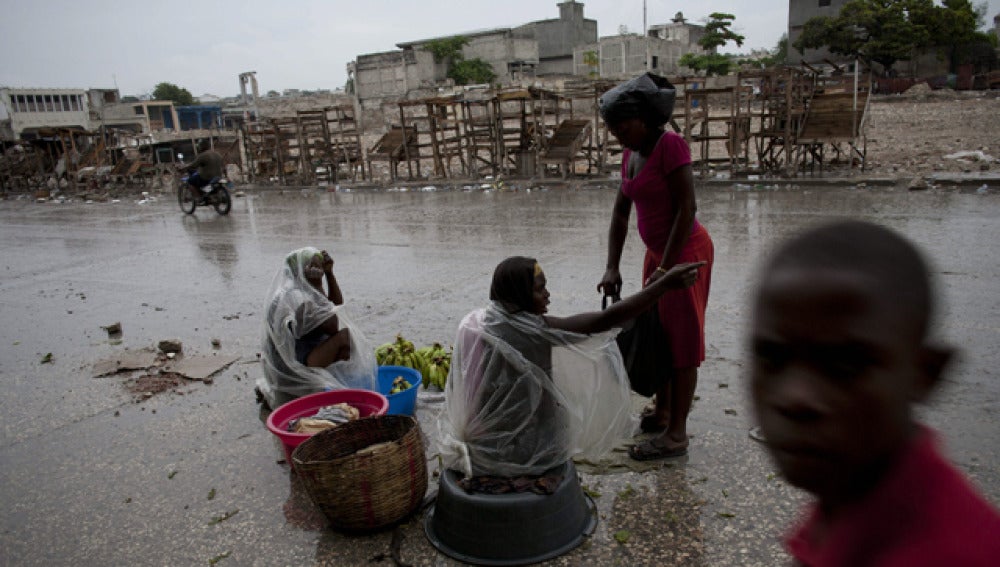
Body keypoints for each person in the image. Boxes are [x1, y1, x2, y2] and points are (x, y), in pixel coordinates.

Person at [749, 220, 1000, 566]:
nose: (796, 398)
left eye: (845, 365)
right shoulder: (848, 494)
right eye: (771, 358)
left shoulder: (956, 553)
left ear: (926, 373)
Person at [438, 256, 703, 479]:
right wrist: (663, 287)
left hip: (486, 435)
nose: (547, 294)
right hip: (513, 445)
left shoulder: (479, 320)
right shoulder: (529, 331)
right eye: (539, 289)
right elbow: (604, 320)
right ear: (518, 296)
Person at [597, 73, 714, 460]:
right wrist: (612, 266)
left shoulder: (671, 145)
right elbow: (620, 213)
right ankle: (663, 411)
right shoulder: (631, 155)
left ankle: (676, 435)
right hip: (658, 256)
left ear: (645, 119)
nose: (616, 134)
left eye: (622, 125)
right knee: (659, 335)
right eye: (611, 128)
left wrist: (666, 272)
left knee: (683, 343)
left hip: (684, 254)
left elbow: (687, 209)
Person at [256, 247, 377, 410]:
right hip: (293, 367)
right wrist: (318, 284)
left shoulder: (300, 289)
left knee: (343, 343)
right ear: (301, 270)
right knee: (345, 338)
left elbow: (336, 307)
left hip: (304, 353)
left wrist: (329, 274)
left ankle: (332, 381)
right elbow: (333, 325)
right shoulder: (294, 297)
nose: (318, 270)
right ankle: (319, 386)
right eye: (314, 266)